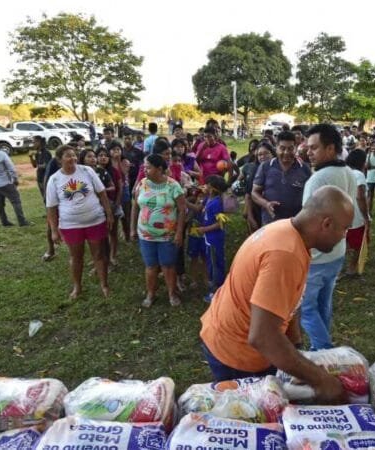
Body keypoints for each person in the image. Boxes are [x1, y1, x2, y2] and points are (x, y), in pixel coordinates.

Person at [199, 184, 353, 402]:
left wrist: (296, 353)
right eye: (344, 229)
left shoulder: (290, 233)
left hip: (233, 335)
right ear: (326, 224)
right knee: (251, 418)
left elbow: (288, 302)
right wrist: (321, 380)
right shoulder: (285, 254)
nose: (344, 236)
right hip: (236, 354)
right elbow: (263, 336)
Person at [299, 124, 358, 350]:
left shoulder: (317, 179)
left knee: (306, 309)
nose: (308, 152)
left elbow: (307, 222)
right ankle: (321, 348)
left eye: (314, 148)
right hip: (337, 251)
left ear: (331, 148)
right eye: (307, 148)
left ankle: (324, 349)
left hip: (316, 255)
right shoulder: (348, 172)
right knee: (323, 303)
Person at [46, 145, 114, 299]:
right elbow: (51, 207)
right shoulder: (54, 179)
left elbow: (102, 193)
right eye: (68, 156)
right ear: (59, 159)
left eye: (74, 155)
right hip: (71, 225)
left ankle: (104, 285)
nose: (73, 158)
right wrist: (54, 230)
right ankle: (77, 287)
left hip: (95, 220)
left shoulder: (87, 171)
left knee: (99, 254)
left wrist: (109, 214)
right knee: (76, 257)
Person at [130, 153, 186, 307]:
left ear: (159, 168)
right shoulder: (142, 184)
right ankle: (150, 293)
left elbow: (182, 209)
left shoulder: (173, 185)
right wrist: (132, 229)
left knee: (168, 265)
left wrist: (180, 233)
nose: (144, 169)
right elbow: (135, 206)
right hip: (145, 234)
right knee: (150, 266)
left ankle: (172, 294)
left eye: (148, 167)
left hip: (168, 235)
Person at [251, 134, 311, 228]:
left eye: (290, 148)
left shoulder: (305, 169)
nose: (286, 152)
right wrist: (266, 204)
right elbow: (254, 193)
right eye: (282, 148)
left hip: (296, 223)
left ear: (295, 148)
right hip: (270, 222)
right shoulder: (265, 167)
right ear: (276, 148)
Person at [192, 175, 229, 303]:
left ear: (212, 188)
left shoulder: (217, 203)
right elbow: (197, 208)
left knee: (215, 264)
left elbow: (221, 223)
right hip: (209, 239)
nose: (204, 186)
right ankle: (216, 288)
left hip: (215, 239)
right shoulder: (208, 199)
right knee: (211, 263)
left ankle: (217, 292)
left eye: (206, 184)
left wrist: (204, 230)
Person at [344, 149, 369, 278]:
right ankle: (351, 267)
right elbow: (360, 196)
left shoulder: (344, 172)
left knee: (344, 240)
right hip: (355, 214)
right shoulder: (359, 175)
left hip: (342, 211)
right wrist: (366, 216)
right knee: (356, 242)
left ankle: (343, 266)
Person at [240, 142, 275, 233]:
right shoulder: (254, 170)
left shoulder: (278, 169)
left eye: (266, 153)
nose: (263, 157)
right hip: (257, 211)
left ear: (273, 153)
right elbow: (248, 196)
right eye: (260, 154)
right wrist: (250, 217)